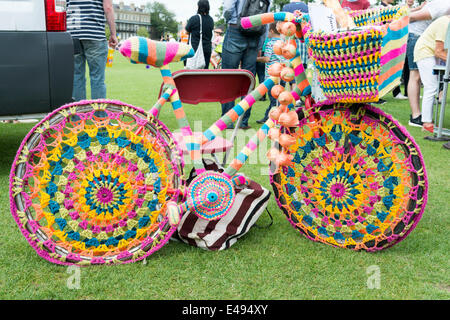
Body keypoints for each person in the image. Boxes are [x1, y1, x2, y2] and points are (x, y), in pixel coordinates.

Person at [221, 0, 271, 130]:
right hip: (255, 33)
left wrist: (230, 20)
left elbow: (228, 7)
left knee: (227, 77)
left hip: (235, 28)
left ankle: (228, 120)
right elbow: (267, 17)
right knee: (249, 80)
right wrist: (261, 43)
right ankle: (243, 121)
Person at [407, 0, 450, 127]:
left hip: (430, 49)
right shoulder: (445, 23)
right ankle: (426, 124)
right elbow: (439, 51)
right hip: (424, 50)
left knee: (432, 85)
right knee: (430, 86)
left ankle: (426, 120)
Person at [67, 0, 118, 102]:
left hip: (72, 34)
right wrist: (113, 34)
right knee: (97, 78)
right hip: (95, 35)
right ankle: (98, 116)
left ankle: (78, 116)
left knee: (76, 77)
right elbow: (108, 7)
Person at [256, 23, 284, 124]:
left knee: (273, 99)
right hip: (282, 75)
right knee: (278, 99)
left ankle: (270, 118)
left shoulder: (270, 43)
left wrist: (256, 59)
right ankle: (270, 116)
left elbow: (267, 58)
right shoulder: (283, 42)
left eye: (268, 31)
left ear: (271, 31)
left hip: (272, 76)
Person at [185, 0, 214, 69]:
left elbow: (187, 31)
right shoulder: (211, 20)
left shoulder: (194, 18)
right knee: (204, 71)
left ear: (198, 7)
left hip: (195, 48)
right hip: (207, 49)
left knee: (193, 71)